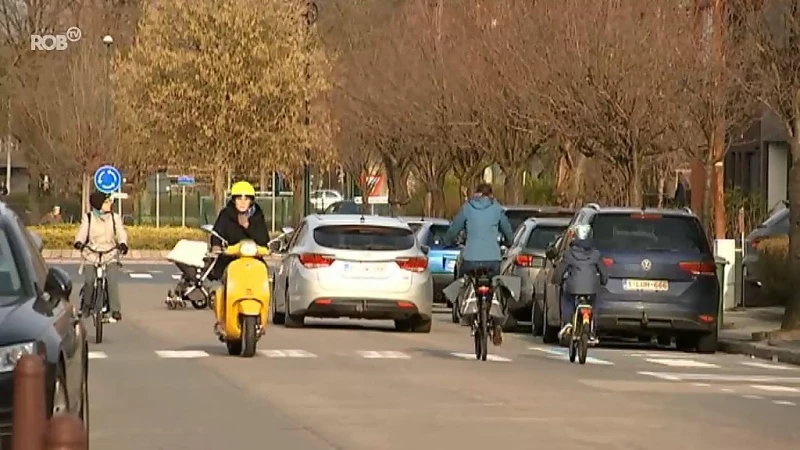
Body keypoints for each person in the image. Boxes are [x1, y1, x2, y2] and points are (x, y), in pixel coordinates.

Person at [444, 182, 515, 346]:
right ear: (490, 195)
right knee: (496, 284)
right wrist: (508, 242)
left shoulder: (467, 208)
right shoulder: (497, 209)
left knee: (464, 280)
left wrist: (449, 240)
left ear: (475, 193)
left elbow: (454, 229)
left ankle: (466, 309)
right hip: (493, 259)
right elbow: (508, 232)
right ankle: (497, 323)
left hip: (471, 259)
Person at [73, 192, 129, 321]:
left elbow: (121, 232)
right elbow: (82, 232)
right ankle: (86, 305)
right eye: (106, 202)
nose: (110, 204)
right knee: (89, 281)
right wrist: (79, 242)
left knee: (112, 280)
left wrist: (123, 244)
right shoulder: (88, 217)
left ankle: (115, 310)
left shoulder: (115, 218)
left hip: (110, 253)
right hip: (91, 253)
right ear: (99, 205)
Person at [552, 224, 608, 342]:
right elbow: (604, 272)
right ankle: (592, 328)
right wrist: (603, 281)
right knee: (595, 302)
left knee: (567, 299)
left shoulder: (569, 253)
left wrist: (556, 280)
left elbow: (560, 270)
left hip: (573, 288)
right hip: (591, 289)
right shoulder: (596, 254)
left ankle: (568, 323)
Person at [209, 181, 269, 281]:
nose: (242, 202)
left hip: (253, 258)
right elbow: (217, 233)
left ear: (251, 201)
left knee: (263, 274)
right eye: (239, 198)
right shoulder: (226, 214)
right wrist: (216, 246)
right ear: (233, 200)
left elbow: (264, 239)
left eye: (246, 199)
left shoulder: (257, 216)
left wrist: (247, 226)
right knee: (218, 275)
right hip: (230, 257)